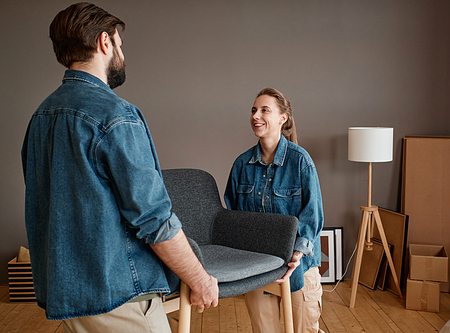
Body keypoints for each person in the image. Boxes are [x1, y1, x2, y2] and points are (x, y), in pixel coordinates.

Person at [21, 3, 218, 332]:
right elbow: (154, 218)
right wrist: (200, 279)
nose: (122, 54)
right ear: (104, 42)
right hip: (119, 296)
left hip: (67, 295)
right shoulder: (116, 115)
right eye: (119, 44)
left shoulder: (41, 117)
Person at [224, 88, 324, 333]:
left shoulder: (301, 161)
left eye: (264, 110)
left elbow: (312, 214)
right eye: (253, 110)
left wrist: (297, 255)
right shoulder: (241, 165)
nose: (256, 116)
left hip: (299, 266)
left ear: (283, 118)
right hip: (259, 268)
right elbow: (233, 216)